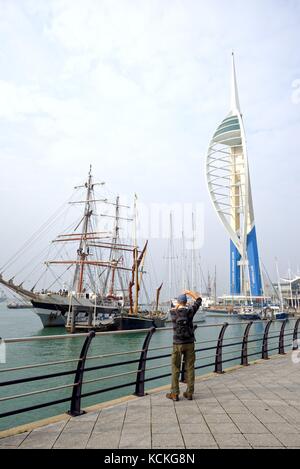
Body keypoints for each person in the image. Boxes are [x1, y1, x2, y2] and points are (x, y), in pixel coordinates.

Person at [166, 289, 202, 401]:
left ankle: (175, 393)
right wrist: (189, 292)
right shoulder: (190, 311)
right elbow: (199, 300)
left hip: (177, 344)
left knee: (175, 368)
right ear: (186, 302)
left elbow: (175, 308)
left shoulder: (173, 312)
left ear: (178, 302)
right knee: (190, 368)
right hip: (190, 343)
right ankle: (189, 393)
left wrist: (177, 306)